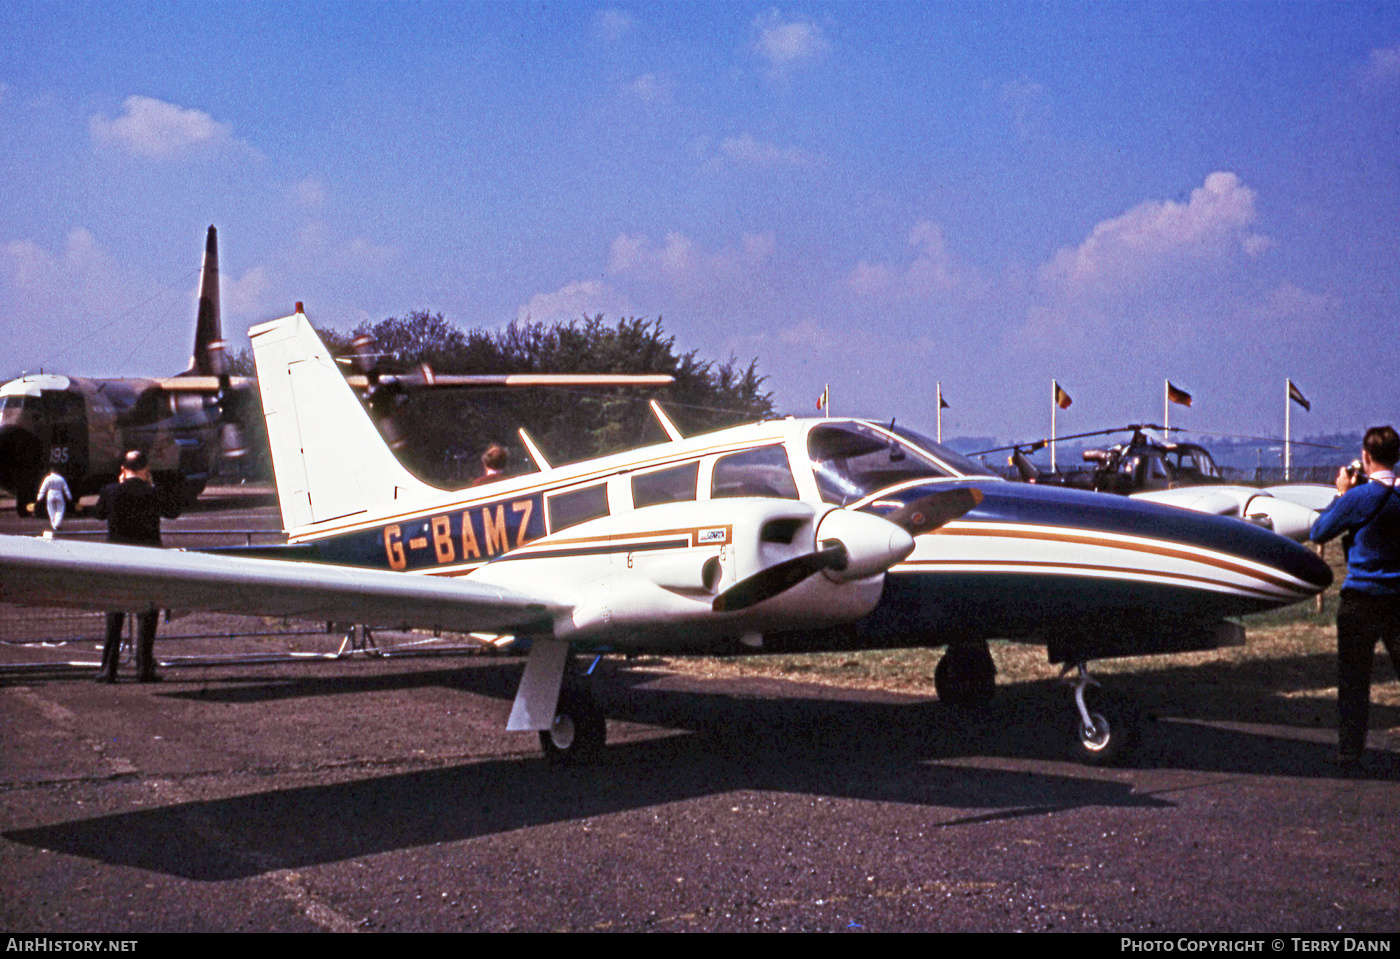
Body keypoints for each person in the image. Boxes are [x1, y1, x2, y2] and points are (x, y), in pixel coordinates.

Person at [1309, 425, 1400, 764]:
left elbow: (1320, 531)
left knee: (1354, 681)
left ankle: (1350, 752)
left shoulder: (1360, 498)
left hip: (1361, 597)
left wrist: (1343, 494)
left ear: (1365, 456)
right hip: (1398, 597)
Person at [93, 450, 180, 683]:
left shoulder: (110, 492)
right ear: (145, 468)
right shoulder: (153, 493)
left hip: (116, 559)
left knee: (114, 616)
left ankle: (108, 669)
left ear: (123, 468)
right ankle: (144, 668)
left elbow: (98, 514)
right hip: (147, 559)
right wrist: (154, 485)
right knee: (148, 614)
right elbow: (174, 511)